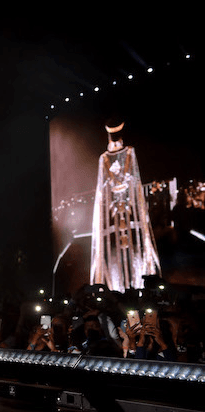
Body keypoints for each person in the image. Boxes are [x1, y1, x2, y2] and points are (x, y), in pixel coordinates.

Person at [89, 120, 161, 292]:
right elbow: (102, 190)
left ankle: (138, 286)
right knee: (116, 255)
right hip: (114, 215)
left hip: (130, 212)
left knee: (135, 251)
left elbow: (134, 182)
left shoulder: (129, 153)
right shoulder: (104, 159)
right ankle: (119, 290)